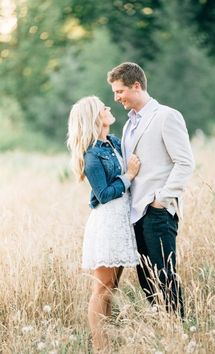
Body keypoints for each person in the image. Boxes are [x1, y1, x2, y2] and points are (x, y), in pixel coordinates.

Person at [107, 62, 195, 318]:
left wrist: (161, 200)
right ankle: (163, 329)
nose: (116, 97)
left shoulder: (167, 116)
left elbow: (185, 162)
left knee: (165, 277)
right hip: (135, 214)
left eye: (119, 91)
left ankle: (178, 330)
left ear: (136, 86)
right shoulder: (127, 126)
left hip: (157, 211)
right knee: (147, 280)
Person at [67, 96, 140, 352]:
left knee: (112, 287)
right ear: (94, 117)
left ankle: (107, 342)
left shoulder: (114, 142)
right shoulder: (92, 156)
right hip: (107, 223)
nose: (108, 108)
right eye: (103, 108)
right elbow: (104, 194)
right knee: (102, 289)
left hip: (121, 221)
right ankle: (100, 347)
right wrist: (129, 175)